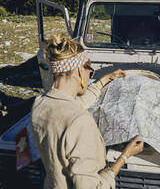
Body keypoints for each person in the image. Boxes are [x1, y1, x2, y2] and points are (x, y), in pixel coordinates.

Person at [31, 33, 144, 188]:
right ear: (78, 71)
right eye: (89, 70)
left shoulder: (41, 103)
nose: (90, 74)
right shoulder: (80, 121)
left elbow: (74, 104)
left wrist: (104, 80)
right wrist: (124, 156)